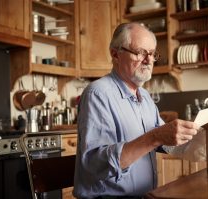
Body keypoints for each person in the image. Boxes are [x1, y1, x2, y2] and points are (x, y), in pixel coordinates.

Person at [73, 22, 200, 199]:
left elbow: (167, 142)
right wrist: (155, 137)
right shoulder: (98, 93)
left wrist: (201, 132)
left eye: (152, 53)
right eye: (140, 52)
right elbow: (95, 165)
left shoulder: (145, 97)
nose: (148, 60)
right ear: (115, 54)